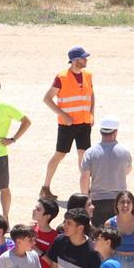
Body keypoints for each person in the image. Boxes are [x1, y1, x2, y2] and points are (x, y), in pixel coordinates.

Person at [41, 46, 95, 197]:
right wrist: (63, 114)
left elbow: (91, 95)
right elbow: (47, 99)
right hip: (67, 124)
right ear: (75, 60)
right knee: (60, 154)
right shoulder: (62, 77)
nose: (86, 60)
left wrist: (92, 114)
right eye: (84, 57)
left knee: (84, 155)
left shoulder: (88, 75)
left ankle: (86, 190)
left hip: (84, 122)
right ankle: (45, 187)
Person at [78, 117, 132, 233]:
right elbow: (127, 171)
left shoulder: (90, 152)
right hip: (119, 199)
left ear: (101, 132)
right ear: (115, 132)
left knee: (99, 234)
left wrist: (85, 198)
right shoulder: (125, 151)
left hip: (98, 200)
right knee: (118, 234)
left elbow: (84, 178)